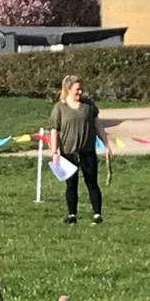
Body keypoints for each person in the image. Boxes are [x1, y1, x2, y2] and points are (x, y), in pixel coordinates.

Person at [47, 75, 112, 224]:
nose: (80, 92)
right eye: (77, 89)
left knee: (92, 183)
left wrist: (107, 146)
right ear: (68, 89)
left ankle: (97, 214)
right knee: (71, 184)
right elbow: (54, 131)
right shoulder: (59, 108)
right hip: (68, 153)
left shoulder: (88, 105)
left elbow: (98, 125)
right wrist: (54, 152)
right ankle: (72, 215)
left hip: (87, 151)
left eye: (81, 88)